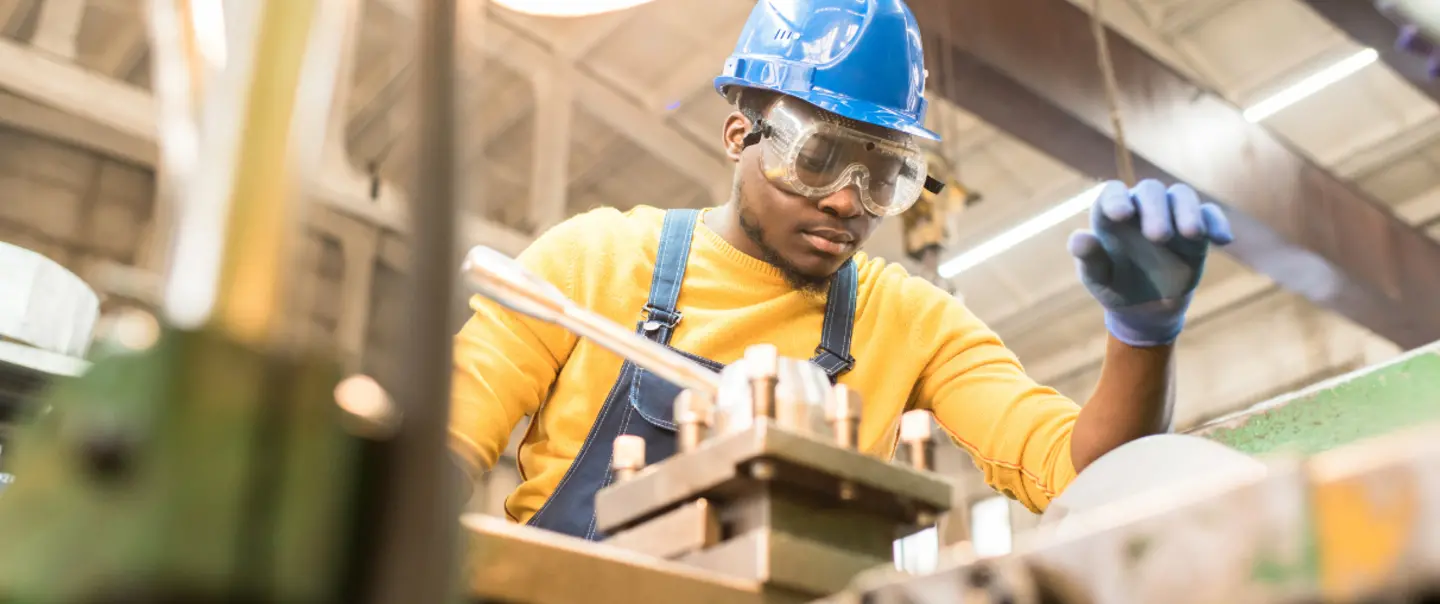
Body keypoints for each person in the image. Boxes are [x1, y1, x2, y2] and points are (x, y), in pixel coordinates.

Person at [448, 0, 1233, 540]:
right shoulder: (592, 263)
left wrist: (1141, 336)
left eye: (882, 175)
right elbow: (441, 452)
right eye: (816, 157)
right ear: (738, 134)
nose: (846, 203)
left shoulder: (909, 321)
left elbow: (1073, 474)